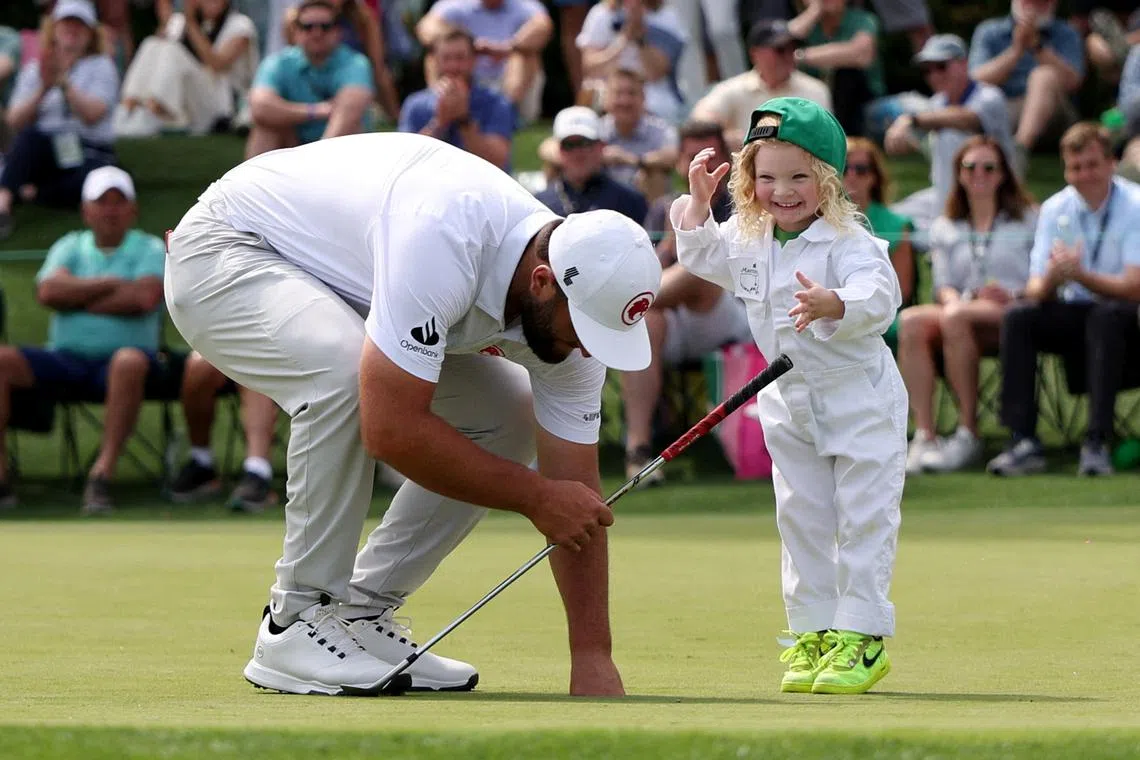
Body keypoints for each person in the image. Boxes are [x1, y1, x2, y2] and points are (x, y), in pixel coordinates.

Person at [164, 131, 661, 697]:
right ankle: (294, 622)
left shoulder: (570, 316)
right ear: (543, 283)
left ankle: (359, 614)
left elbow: (578, 496)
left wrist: (592, 657)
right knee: (343, 378)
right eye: (585, 332)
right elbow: (389, 430)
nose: (588, 351)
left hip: (345, 283)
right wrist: (534, 497)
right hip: (228, 250)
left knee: (510, 412)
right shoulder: (447, 238)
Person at [672, 97, 904, 695]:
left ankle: (862, 638)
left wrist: (837, 303)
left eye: (799, 176)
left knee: (863, 516)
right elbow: (701, 256)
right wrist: (697, 206)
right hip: (787, 399)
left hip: (859, 398)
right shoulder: (749, 237)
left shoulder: (850, 240)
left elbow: (881, 296)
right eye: (767, 176)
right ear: (750, 180)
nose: (783, 191)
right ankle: (813, 631)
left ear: (826, 178)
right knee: (801, 515)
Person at [0, 167, 165, 514]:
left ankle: (102, 475)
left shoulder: (150, 247)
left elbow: (143, 299)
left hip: (127, 365)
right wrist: (112, 283)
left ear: (132, 210)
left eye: (119, 202)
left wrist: (77, 297)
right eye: (101, 202)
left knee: (128, 361)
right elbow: (47, 291)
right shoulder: (69, 245)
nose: (110, 210)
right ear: (86, 210)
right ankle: (1, 479)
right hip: (65, 359)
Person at [986, 122, 1140, 477]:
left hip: (1124, 313)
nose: (1084, 175)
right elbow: (1037, 287)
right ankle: (1022, 440)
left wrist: (1081, 275)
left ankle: (1097, 440)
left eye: (1091, 165)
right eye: (1075, 167)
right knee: (1020, 317)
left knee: (1106, 316)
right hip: (1075, 308)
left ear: (1110, 163)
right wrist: (1054, 277)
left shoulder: (1133, 204)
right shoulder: (1056, 208)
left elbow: (1134, 285)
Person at [622, 119, 751, 484]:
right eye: (693, 156)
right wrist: (666, 250)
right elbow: (647, 266)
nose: (702, 166)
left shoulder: (744, 205)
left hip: (731, 316)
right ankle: (639, 451)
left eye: (710, 157)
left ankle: (621, 309)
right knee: (646, 323)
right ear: (680, 162)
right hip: (671, 320)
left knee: (698, 272)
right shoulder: (664, 206)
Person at [900, 136, 1036, 475]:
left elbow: (1041, 277)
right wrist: (961, 301)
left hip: (1017, 311)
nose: (979, 174)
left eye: (989, 167)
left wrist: (1014, 296)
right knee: (912, 320)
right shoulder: (947, 225)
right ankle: (926, 435)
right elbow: (943, 286)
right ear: (958, 174)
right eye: (970, 167)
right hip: (962, 310)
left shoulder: (1028, 218)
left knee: (956, 316)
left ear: (1003, 173)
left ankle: (967, 431)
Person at [0, 0, 119, 240]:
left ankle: (31, 192)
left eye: (79, 25)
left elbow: (93, 115)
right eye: (66, 23)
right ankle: (3, 204)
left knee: (95, 178)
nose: (72, 30)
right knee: (30, 139)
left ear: (90, 32)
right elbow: (12, 121)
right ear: (54, 28)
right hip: (45, 150)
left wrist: (64, 83)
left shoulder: (102, 66)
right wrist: (43, 89)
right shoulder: (36, 69)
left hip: (88, 150)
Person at [884, 34, 1017, 237]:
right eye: (927, 69)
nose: (934, 75)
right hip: (944, 194)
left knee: (950, 136)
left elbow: (966, 118)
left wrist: (910, 120)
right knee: (888, 221)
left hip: (993, 195)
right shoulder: (937, 103)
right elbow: (925, 140)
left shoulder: (989, 96)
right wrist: (899, 140)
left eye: (941, 66)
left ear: (963, 64)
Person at [243, 0, 373, 159]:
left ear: (338, 31)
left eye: (325, 27)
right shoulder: (277, 63)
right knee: (265, 127)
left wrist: (314, 157)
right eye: (308, 27)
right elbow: (260, 107)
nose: (316, 33)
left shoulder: (355, 63)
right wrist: (316, 110)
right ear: (296, 31)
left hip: (336, 151)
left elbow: (351, 110)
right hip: (291, 140)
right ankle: (256, 182)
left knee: (352, 126)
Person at [115, 0, 259, 137]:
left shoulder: (241, 25)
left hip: (222, 107)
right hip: (186, 101)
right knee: (151, 44)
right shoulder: (179, 22)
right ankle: (127, 107)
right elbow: (159, 55)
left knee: (172, 50)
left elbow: (217, 64)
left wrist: (191, 23)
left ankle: (153, 113)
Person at [969, 0, 1084, 167]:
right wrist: (1016, 51)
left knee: (1043, 76)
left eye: (1041, 2)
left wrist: (1037, 47)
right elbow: (976, 79)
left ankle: (1019, 150)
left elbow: (1073, 82)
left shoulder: (1067, 33)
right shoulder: (989, 31)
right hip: (1005, 109)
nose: (1034, 6)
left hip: (1056, 116)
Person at [690, 19, 831, 149]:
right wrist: (725, 137)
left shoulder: (814, 90)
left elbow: (824, 138)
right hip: (745, 172)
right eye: (780, 50)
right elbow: (700, 121)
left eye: (792, 48)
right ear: (754, 54)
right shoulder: (735, 88)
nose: (788, 55)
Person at [168, 352, 282, 513]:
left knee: (253, 364)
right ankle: (201, 463)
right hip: (229, 346)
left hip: (279, 352)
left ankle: (257, 473)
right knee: (199, 366)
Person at [416, 0, 553, 124]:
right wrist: (467, 46)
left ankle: (506, 110)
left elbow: (543, 27)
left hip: (509, 78)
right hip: (468, 75)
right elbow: (426, 29)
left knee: (523, 56)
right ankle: (435, 103)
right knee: (434, 56)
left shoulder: (525, 5)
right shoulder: (455, 5)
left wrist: (508, 48)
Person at [398, 28, 514, 172]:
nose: (453, 66)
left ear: (473, 60)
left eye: (460, 58)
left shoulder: (496, 102)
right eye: (446, 58)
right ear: (435, 61)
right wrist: (439, 123)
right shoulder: (416, 104)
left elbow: (497, 162)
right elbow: (405, 162)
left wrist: (464, 120)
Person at [842, 137, 915, 356]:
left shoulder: (895, 224)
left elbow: (902, 289)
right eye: (845, 168)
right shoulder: (819, 220)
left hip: (882, 310)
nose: (852, 175)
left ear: (874, 176)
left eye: (861, 169)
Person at [576, 0, 687, 123]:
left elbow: (655, 73)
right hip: (607, 92)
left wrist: (640, 38)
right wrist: (624, 39)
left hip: (655, 97)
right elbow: (591, 69)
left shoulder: (667, 17)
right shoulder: (600, 14)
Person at [786, 0, 885, 137]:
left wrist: (801, 56)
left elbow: (860, 54)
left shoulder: (863, 20)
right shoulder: (808, 24)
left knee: (845, 74)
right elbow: (778, 44)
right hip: (810, 101)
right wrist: (813, 11)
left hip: (863, 104)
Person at [535, 105, 649, 224]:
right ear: (558, 150)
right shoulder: (540, 205)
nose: (577, 152)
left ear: (601, 146)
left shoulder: (629, 201)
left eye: (585, 143)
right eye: (569, 145)